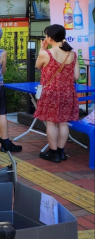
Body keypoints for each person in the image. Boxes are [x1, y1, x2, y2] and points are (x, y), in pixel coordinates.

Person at [35, 24, 80, 163]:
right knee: (63, 123)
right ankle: (61, 152)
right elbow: (76, 76)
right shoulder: (72, 54)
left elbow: (38, 66)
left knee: (51, 123)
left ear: (49, 38)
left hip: (51, 93)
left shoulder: (46, 53)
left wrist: (42, 48)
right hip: (68, 92)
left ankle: (53, 153)